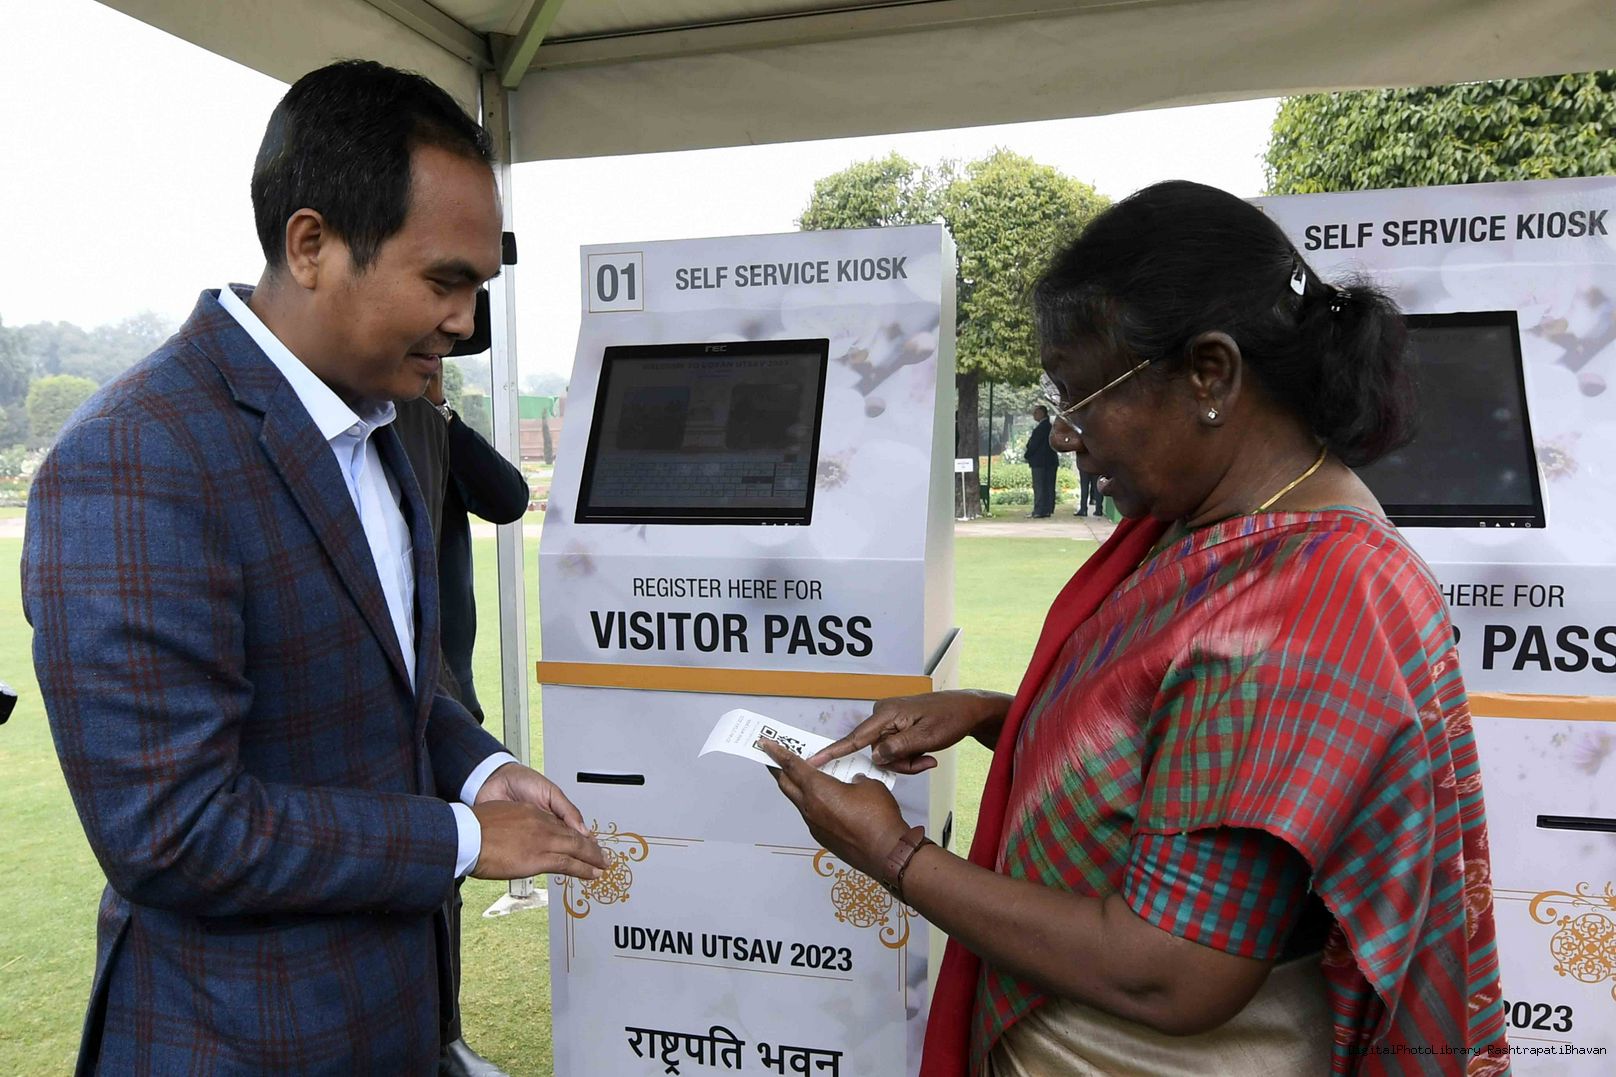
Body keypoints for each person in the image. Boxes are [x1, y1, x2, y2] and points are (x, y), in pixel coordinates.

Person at [761, 181, 1508, 1075]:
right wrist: (997, 714)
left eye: (1082, 395)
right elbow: (1175, 749)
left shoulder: (1308, 595)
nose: (1064, 436)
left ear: (1209, 374)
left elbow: (1172, 971)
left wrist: (894, 853)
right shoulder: (1220, 529)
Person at [22, 60, 608, 1076]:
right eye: (444, 282)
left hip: (392, 1028)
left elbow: (380, 686)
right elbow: (174, 829)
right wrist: (465, 838)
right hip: (238, 1044)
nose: (466, 322)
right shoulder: (137, 456)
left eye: (478, 288)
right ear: (311, 246)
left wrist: (479, 765)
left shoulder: (380, 422)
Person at [395, 370, 529, 1076]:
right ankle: (431, 1038)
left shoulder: (427, 422)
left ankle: (443, 1034)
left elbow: (508, 498)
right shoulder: (359, 424)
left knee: (442, 879)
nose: (451, 327)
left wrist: (439, 409)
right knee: (416, 864)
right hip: (390, 698)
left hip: (446, 699)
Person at [1022, 404, 1058, 517]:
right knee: (1049, 486)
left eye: (1036, 413)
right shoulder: (1050, 426)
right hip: (1050, 461)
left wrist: (1027, 455)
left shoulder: (1041, 428)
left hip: (1040, 462)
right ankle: (1047, 509)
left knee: (1039, 486)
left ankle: (1039, 510)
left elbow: (1034, 445)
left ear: (1042, 413)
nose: (1034, 415)